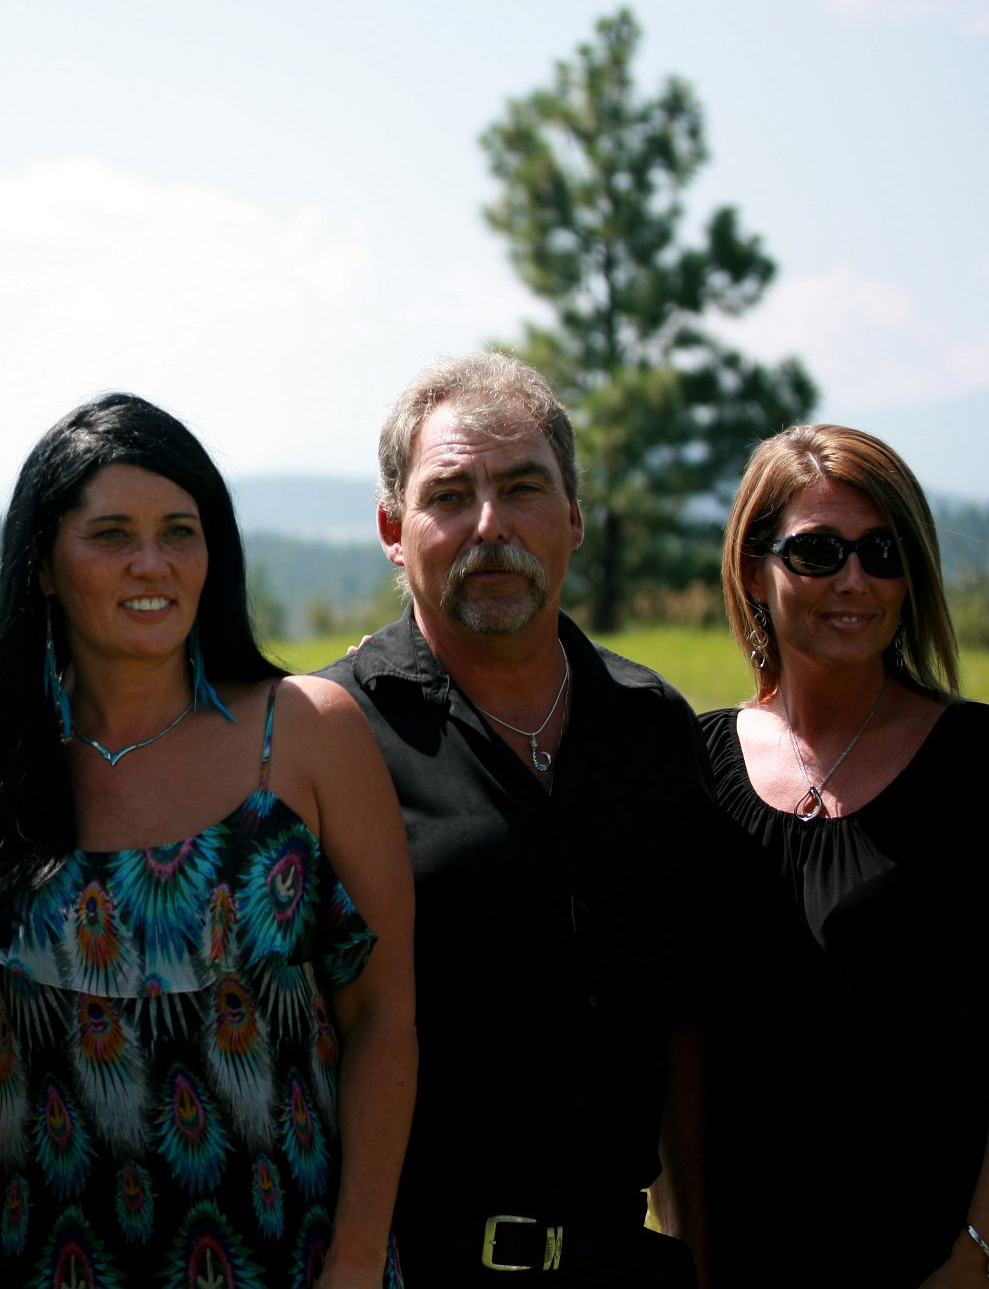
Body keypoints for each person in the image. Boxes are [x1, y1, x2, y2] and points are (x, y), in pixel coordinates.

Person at [0, 393, 415, 1288]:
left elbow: (384, 1017)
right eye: (111, 534)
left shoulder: (307, 733)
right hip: (33, 1253)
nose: (151, 563)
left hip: (289, 1254)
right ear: (41, 563)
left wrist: (357, 1253)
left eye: (179, 532)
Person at [317, 351, 706, 1285]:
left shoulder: (652, 727)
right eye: (449, 496)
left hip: (621, 1263)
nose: (489, 525)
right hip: (406, 1264)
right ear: (392, 529)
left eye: (523, 488)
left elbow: (684, 1028)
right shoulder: (329, 738)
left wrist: (702, 1253)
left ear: (574, 515)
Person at [700, 423, 989, 1287]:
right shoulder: (695, 768)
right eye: (818, 551)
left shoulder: (984, 764)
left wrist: (980, 1259)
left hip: (950, 1262)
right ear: (754, 570)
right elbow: (674, 1041)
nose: (854, 580)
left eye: (882, 552)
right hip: (760, 1259)